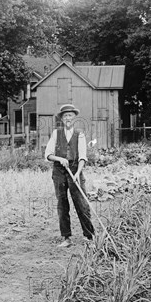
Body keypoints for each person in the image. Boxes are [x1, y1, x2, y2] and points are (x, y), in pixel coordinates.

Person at [44, 104, 95, 247]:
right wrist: (60, 159)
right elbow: (48, 154)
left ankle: (89, 236)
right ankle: (66, 238)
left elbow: (83, 157)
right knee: (62, 204)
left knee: (81, 203)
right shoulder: (56, 133)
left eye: (70, 115)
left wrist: (77, 173)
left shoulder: (80, 134)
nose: (68, 118)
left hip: (74, 169)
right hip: (59, 171)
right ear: (62, 118)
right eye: (65, 116)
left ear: (74, 118)